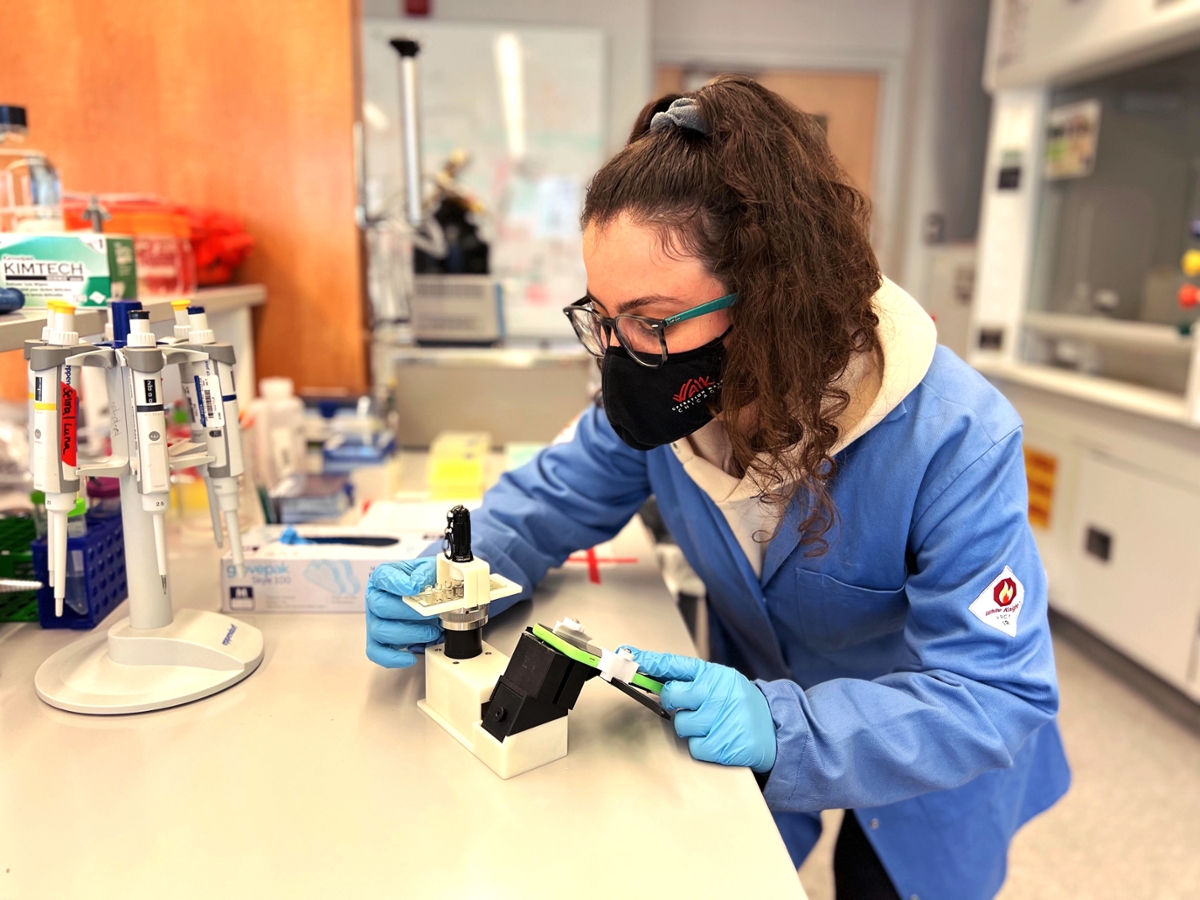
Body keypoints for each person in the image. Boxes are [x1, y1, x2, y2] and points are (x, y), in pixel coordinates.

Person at [365, 77, 1070, 900]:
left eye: (654, 320)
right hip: (755, 711)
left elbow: (993, 693)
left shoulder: (955, 438)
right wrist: (457, 575)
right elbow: (548, 502)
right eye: (604, 315)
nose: (622, 353)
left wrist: (785, 727)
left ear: (773, 299)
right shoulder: (668, 402)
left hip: (928, 757)